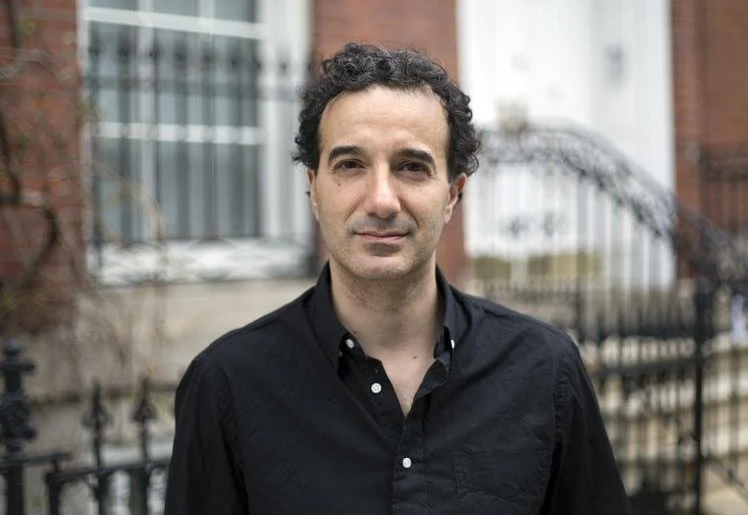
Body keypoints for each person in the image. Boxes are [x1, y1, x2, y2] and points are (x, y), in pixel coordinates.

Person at [164, 42, 632, 515]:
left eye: (412, 167)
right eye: (350, 165)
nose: (382, 200)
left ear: (453, 194)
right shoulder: (227, 385)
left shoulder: (545, 370)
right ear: (314, 190)